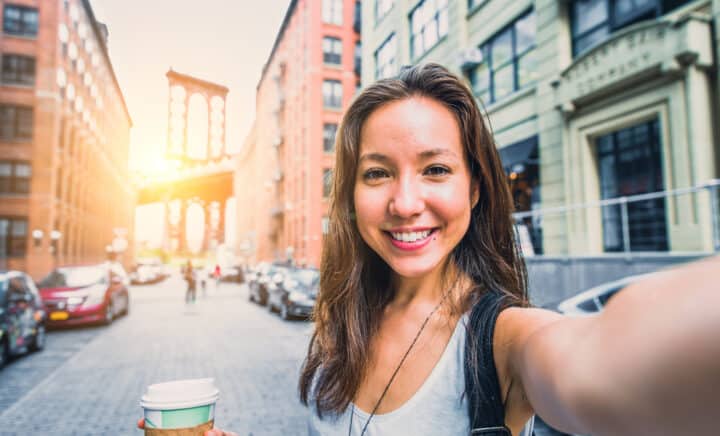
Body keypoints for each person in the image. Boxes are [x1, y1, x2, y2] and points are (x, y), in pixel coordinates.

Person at [138, 64, 720, 435]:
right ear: (351, 194)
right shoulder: (347, 317)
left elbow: (604, 364)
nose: (405, 202)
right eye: (377, 174)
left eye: (436, 168)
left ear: (475, 187)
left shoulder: (507, 339)